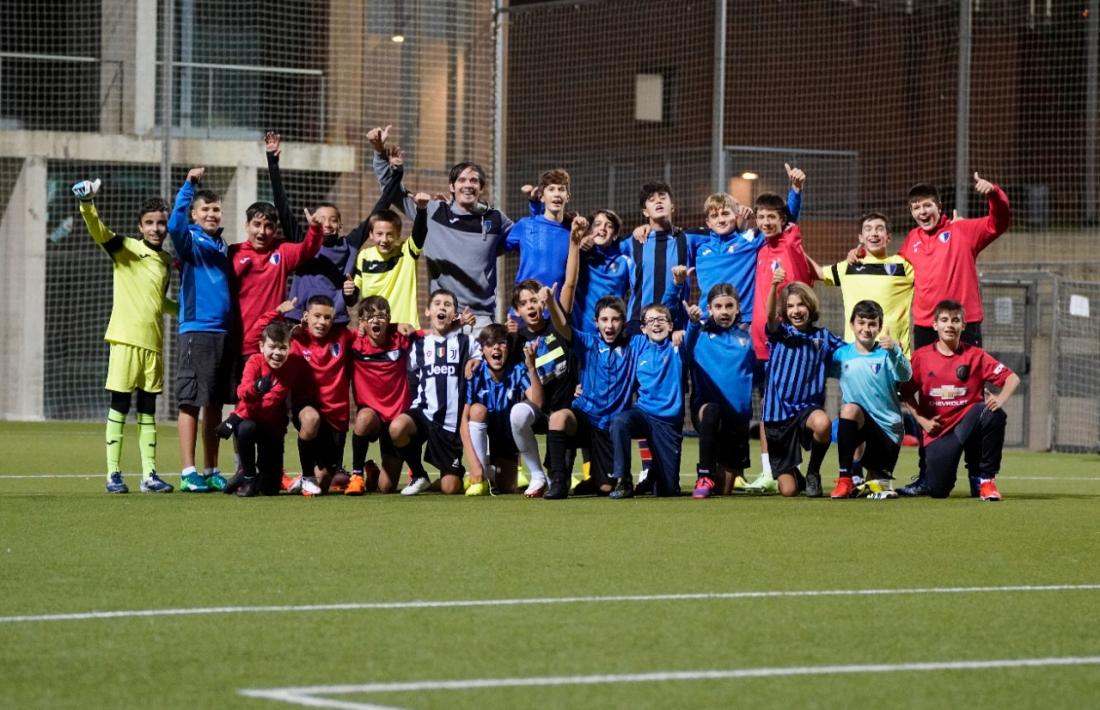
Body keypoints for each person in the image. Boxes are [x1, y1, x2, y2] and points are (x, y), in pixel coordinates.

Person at [72, 178, 176, 494]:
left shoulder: (167, 261)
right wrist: (87, 204)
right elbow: (98, 231)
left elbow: (160, 303)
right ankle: (113, 474)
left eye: (161, 223)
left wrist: (187, 311)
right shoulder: (126, 249)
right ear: (140, 227)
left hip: (153, 346)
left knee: (147, 410)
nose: (156, 228)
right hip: (124, 341)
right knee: (119, 405)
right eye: (149, 223)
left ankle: (149, 475)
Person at [369, 124, 512, 334]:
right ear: (452, 187)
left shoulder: (496, 219)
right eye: (461, 180)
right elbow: (392, 192)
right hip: (445, 318)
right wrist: (380, 153)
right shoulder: (432, 212)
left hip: (481, 319)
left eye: (474, 181)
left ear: (482, 188)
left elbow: (527, 239)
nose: (468, 185)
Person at [900, 300, 1019, 501]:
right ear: (934, 324)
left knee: (993, 414)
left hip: (968, 422)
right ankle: (937, 476)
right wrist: (923, 421)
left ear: (963, 325)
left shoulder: (976, 355)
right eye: (944, 320)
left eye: (955, 320)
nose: (950, 325)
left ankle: (985, 479)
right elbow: (906, 393)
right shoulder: (921, 357)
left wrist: (1000, 398)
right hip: (940, 431)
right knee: (938, 491)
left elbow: (1012, 378)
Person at [168, 167, 233, 492]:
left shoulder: (222, 245)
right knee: (190, 400)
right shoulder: (189, 240)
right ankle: (188, 471)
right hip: (196, 330)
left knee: (215, 404)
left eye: (216, 209)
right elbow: (174, 225)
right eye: (205, 209)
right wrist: (189, 186)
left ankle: (211, 468)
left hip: (223, 332)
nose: (211, 213)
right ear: (194, 214)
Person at [902, 173, 1011, 350]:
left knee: (966, 377)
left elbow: (999, 223)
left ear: (939, 207)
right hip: (926, 327)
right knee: (928, 378)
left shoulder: (962, 230)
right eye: (916, 208)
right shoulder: (912, 239)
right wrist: (863, 255)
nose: (922, 212)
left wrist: (994, 194)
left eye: (927, 205)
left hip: (962, 324)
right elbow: (896, 272)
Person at [263, 131, 360, 328]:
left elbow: (351, 297)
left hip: (333, 321)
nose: (327, 224)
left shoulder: (348, 246)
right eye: (322, 219)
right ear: (313, 221)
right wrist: (272, 162)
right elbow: (283, 207)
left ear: (340, 224)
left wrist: (394, 171)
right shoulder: (302, 242)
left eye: (333, 220)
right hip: (300, 318)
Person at [544, 295, 636, 499]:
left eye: (615, 319)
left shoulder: (634, 347)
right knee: (558, 418)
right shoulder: (588, 342)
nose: (609, 325)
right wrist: (551, 303)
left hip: (609, 426)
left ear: (623, 322)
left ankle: (594, 479)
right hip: (584, 417)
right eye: (604, 320)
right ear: (596, 322)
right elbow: (563, 326)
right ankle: (559, 480)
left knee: (606, 488)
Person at [216, 301, 311, 497]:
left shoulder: (291, 366)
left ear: (289, 348)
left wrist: (304, 330)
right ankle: (248, 476)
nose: (277, 353)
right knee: (246, 428)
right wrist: (255, 389)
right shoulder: (255, 361)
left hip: (273, 429)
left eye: (282, 348)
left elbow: (272, 401)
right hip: (250, 421)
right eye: (272, 347)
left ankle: (249, 476)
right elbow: (242, 392)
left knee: (270, 489)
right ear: (261, 346)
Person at [390, 289, 480, 496]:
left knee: (450, 488)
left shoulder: (467, 343)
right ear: (428, 311)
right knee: (397, 428)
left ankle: (451, 476)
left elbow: (482, 359)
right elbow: (413, 381)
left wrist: (476, 362)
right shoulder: (418, 346)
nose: (442, 307)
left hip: (450, 423)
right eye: (437, 303)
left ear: (454, 314)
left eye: (447, 305)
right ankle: (419, 474)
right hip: (423, 413)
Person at [762, 271, 844, 498]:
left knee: (823, 422)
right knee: (789, 491)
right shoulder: (780, 334)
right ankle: (793, 476)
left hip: (806, 410)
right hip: (777, 415)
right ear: (784, 311)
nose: (796, 311)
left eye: (801, 305)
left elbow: (849, 352)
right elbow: (769, 316)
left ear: (810, 306)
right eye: (790, 306)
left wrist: (880, 349)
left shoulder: (823, 336)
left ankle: (813, 472)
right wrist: (773, 286)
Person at [229, 201, 322, 397]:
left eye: (268, 226)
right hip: (238, 342)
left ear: (275, 229)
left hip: (271, 342)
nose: (262, 231)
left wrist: (314, 229)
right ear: (246, 226)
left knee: (271, 402)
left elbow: (307, 249)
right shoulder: (233, 253)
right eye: (256, 224)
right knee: (242, 400)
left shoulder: (282, 251)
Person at [828, 300, 912, 499]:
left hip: (887, 433)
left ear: (879, 327)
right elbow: (817, 374)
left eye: (872, 324)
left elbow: (905, 375)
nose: (866, 328)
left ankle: (871, 475)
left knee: (878, 483)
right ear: (852, 325)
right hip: (859, 430)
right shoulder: (840, 355)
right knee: (848, 411)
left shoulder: (886, 353)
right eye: (861, 322)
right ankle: (846, 478)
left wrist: (895, 351)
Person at [680, 280, 756, 499]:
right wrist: (692, 324)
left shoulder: (747, 338)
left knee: (723, 490)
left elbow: (758, 372)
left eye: (729, 306)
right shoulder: (699, 335)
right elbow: (684, 351)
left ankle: (716, 469)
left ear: (738, 308)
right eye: (718, 307)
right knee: (711, 410)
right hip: (707, 414)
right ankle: (704, 473)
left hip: (737, 421)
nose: (724, 311)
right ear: (709, 309)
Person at [503, 279, 577, 497]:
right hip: (543, 410)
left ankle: (565, 472)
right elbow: (537, 402)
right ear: (517, 311)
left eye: (534, 300)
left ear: (542, 303)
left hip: (568, 412)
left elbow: (570, 284)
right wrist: (532, 367)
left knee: (561, 476)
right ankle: (537, 475)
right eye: (524, 303)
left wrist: (574, 246)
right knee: (518, 413)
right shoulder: (517, 344)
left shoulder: (557, 326)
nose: (531, 306)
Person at [607, 301, 687, 499]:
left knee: (667, 491)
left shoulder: (678, 348)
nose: (656, 324)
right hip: (643, 414)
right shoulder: (638, 348)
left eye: (661, 320)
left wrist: (690, 325)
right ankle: (623, 480)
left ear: (670, 325)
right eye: (650, 321)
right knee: (620, 422)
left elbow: (692, 335)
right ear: (643, 328)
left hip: (667, 423)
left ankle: (654, 473)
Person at [460, 325, 543, 496]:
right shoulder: (476, 373)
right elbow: (463, 421)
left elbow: (538, 402)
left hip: (507, 436)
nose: (496, 348)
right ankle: (480, 473)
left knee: (506, 487)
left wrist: (532, 368)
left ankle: (489, 471)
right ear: (482, 350)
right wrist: (474, 463)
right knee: (477, 410)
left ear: (508, 347)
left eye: (501, 343)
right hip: (485, 430)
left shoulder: (518, 370)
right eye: (490, 344)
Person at [286, 293, 356, 496]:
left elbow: (369, 336)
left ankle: (309, 478)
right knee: (310, 418)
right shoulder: (295, 339)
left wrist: (400, 327)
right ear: (306, 316)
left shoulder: (343, 337)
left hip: (337, 416)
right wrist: (288, 330)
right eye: (317, 316)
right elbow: (264, 338)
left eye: (327, 318)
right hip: (308, 409)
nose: (321, 322)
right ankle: (307, 476)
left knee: (324, 482)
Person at [817, 212, 915, 356]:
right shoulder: (850, 265)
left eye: (879, 229)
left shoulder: (903, 266)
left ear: (888, 237)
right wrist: (794, 245)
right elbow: (818, 272)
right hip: (856, 355)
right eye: (868, 229)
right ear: (861, 238)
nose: (874, 233)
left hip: (893, 356)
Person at [347, 296, 413, 495]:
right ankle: (357, 475)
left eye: (381, 316)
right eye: (370, 317)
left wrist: (403, 325)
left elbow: (429, 334)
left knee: (386, 488)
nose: (375, 321)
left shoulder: (400, 340)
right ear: (362, 322)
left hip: (396, 421)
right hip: (373, 416)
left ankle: (373, 473)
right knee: (364, 418)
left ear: (389, 319)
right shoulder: (354, 344)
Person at [349, 203, 428, 329]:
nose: (384, 239)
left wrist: (422, 210)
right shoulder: (364, 256)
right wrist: (347, 292)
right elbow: (352, 299)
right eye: (379, 234)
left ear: (398, 234)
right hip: (375, 331)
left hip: (404, 330)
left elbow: (420, 233)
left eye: (390, 234)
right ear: (371, 234)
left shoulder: (407, 251)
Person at [559, 210, 632, 335]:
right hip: (582, 336)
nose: (602, 229)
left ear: (614, 235)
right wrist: (577, 246)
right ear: (590, 231)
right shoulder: (578, 257)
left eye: (609, 226)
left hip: (612, 335)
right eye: (597, 224)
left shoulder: (624, 262)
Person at [505, 169, 572, 296]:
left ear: (567, 197)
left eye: (561, 189)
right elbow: (498, 247)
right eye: (551, 189)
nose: (557, 194)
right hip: (525, 305)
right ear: (541, 197)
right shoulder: (525, 226)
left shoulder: (572, 232)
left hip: (557, 308)